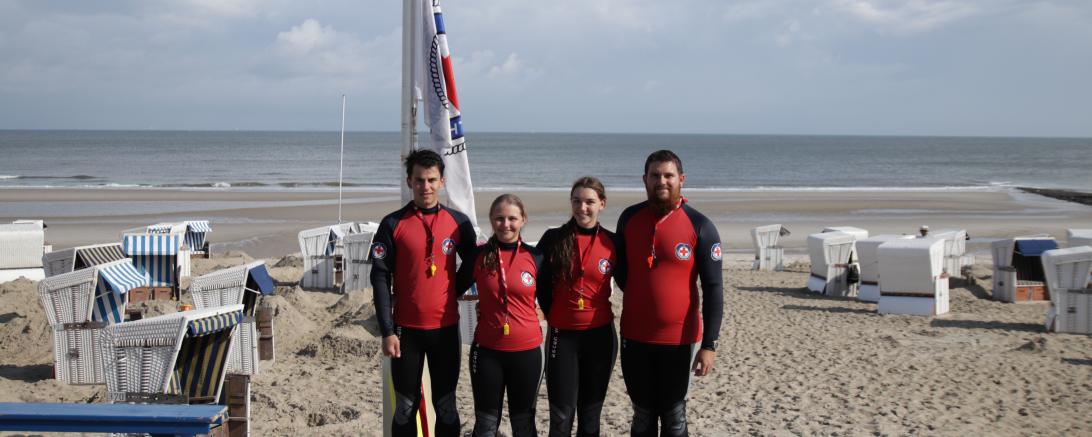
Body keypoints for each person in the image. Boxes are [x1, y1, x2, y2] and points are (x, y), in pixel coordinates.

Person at [614, 150, 724, 437]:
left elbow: (713, 288)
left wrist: (709, 345)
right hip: (634, 336)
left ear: (681, 179)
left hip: (679, 340)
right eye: (655, 175)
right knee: (642, 415)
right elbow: (621, 273)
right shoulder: (629, 219)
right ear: (645, 180)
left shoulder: (700, 226)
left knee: (674, 416)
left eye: (668, 175)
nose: (661, 181)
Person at [370, 149, 477, 437]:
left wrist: (453, 290)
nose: (425, 187)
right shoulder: (392, 224)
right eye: (419, 180)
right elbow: (379, 277)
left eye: (431, 180)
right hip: (406, 332)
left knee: (446, 406)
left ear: (442, 181)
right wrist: (387, 331)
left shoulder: (459, 223)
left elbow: (474, 263)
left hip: (445, 329)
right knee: (405, 407)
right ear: (409, 181)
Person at [456, 194, 544, 437]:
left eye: (512, 218)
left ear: (523, 219)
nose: (506, 224)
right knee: (485, 425)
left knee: (524, 425)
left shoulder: (536, 257)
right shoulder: (478, 256)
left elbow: (552, 300)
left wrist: (539, 313)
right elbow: (450, 290)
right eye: (499, 218)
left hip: (527, 351)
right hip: (487, 352)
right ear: (491, 220)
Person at [536, 177, 618, 437]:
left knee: (590, 418)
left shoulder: (612, 242)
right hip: (562, 336)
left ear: (602, 204)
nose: (582, 208)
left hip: (600, 336)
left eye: (589, 202)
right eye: (576, 201)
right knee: (561, 418)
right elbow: (535, 280)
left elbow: (633, 282)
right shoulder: (553, 239)